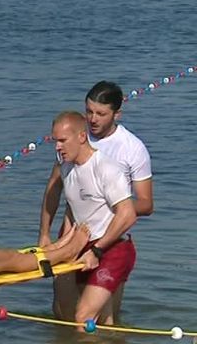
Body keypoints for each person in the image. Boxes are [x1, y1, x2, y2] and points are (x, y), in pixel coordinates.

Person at [38, 81, 153, 323]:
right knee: (63, 312)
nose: (93, 119)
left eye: (100, 114)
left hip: (110, 237)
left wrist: (111, 209)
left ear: (117, 114)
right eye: (89, 111)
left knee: (101, 317)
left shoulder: (132, 149)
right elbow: (55, 188)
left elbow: (145, 203)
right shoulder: (70, 139)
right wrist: (46, 235)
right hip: (73, 233)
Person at [50, 111, 137, 330]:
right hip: (84, 246)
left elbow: (127, 214)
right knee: (99, 321)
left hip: (114, 249)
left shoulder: (106, 168)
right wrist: (59, 246)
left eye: (62, 141)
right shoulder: (66, 169)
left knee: (83, 317)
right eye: (55, 141)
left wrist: (97, 251)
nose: (57, 147)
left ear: (81, 137)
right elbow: (73, 210)